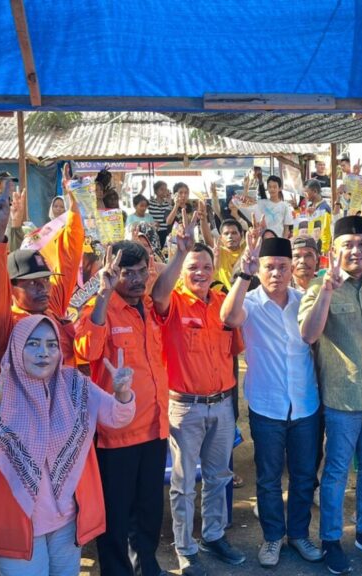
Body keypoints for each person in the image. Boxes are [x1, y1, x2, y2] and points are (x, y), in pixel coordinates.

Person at [0, 315, 136, 575]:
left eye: (51, 345)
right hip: (16, 522)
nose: (43, 352)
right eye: (33, 344)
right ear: (16, 347)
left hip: (66, 519)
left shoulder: (75, 383)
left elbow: (116, 417)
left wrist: (123, 394)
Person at [299, 215, 362, 575]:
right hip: (342, 399)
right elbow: (308, 335)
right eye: (348, 245)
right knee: (337, 472)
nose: (356, 250)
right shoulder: (319, 286)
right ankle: (330, 539)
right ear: (333, 251)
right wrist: (327, 291)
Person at [151, 212, 246, 575]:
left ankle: (213, 535)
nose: (201, 272)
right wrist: (180, 253)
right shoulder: (173, 301)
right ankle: (185, 548)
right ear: (183, 271)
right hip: (184, 408)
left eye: (206, 266)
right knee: (183, 483)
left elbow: (234, 344)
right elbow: (158, 294)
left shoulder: (223, 302)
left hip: (221, 406)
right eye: (193, 267)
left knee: (219, 476)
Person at [220, 236, 323, 568]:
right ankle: (273, 537)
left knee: (304, 476)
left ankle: (299, 534)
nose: (276, 273)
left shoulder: (303, 301)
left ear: (292, 269)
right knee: (268, 478)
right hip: (267, 406)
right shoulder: (249, 303)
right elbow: (228, 317)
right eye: (269, 267)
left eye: (282, 266)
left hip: (305, 404)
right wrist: (244, 274)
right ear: (259, 269)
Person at [74, 240, 170, 576]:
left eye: (142, 271)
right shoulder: (99, 308)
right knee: (116, 518)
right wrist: (103, 293)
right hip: (116, 437)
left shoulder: (151, 306)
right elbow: (87, 350)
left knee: (149, 512)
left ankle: (147, 569)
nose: (137, 279)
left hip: (155, 429)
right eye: (127, 273)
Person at [0, 178, 84, 366]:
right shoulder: (5, 325)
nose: (43, 288)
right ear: (11, 288)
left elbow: (70, 257)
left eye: (46, 280)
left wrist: (74, 203)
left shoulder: (52, 307)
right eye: (33, 283)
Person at [147, 181, 174, 248]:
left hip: (166, 232)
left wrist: (169, 203)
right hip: (154, 232)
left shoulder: (168, 203)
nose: (164, 191)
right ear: (156, 191)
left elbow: (168, 219)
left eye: (165, 189)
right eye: (162, 189)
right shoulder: (150, 202)